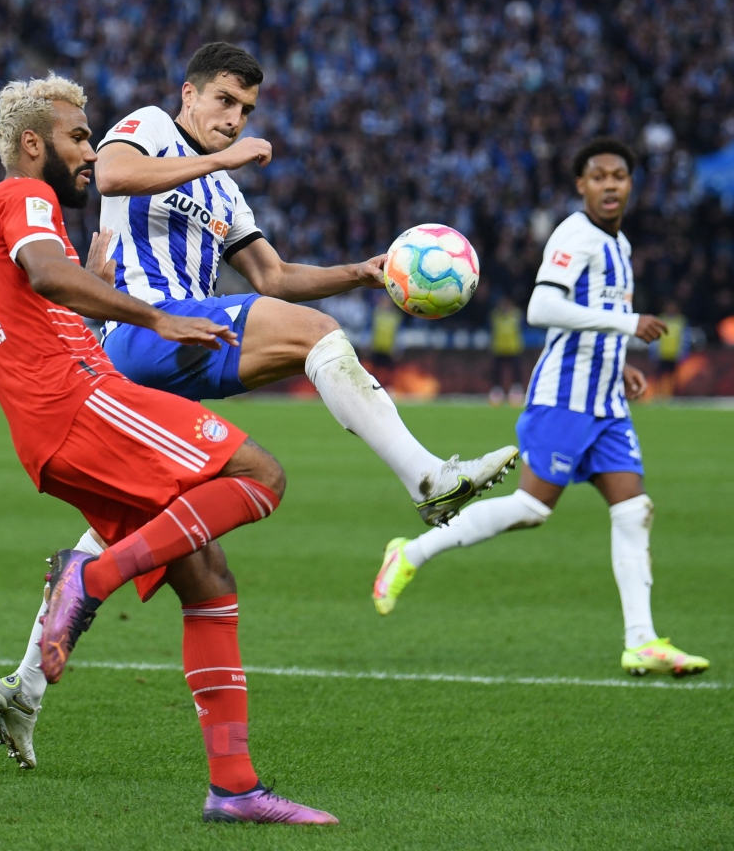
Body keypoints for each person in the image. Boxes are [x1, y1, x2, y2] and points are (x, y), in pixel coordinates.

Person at [0, 74, 337, 824]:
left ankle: (233, 790)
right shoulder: (21, 196)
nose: (90, 152)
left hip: (50, 430)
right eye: (78, 137)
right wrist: (153, 316)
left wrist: (90, 288)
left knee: (207, 580)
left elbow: (36, 295)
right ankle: (92, 577)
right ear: (33, 143)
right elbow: (45, 273)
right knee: (261, 477)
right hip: (80, 407)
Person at [93, 42, 517, 528]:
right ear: (189, 94)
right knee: (316, 333)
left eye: (246, 110)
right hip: (139, 330)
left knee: (182, 545)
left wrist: (358, 273)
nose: (235, 120)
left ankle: (75, 579)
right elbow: (111, 174)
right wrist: (218, 162)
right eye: (224, 101)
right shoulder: (153, 126)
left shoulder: (227, 195)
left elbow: (274, 276)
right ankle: (428, 478)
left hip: (185, 341)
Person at [372, 138, 709, 678]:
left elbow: (592, 314)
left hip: (605, 402)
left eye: (618, 175)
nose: (609, 185)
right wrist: (627, 325)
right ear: (581, 185)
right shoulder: (575, 235)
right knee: (532, 509)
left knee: (633, 510)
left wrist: (618, 360)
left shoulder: (619, 247)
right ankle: (411, 553)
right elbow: (542, 306)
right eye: (597, 176)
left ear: (630, 184)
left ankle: (642, 641)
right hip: (563, 398)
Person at [488, 294, 525, 405]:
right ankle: (497, 391)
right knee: (497, 372)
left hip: (514, 348)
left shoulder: (517, 314)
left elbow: (523, 328)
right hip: (498, 348)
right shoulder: (494, 315)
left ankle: (517, 391)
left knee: (516, 371)